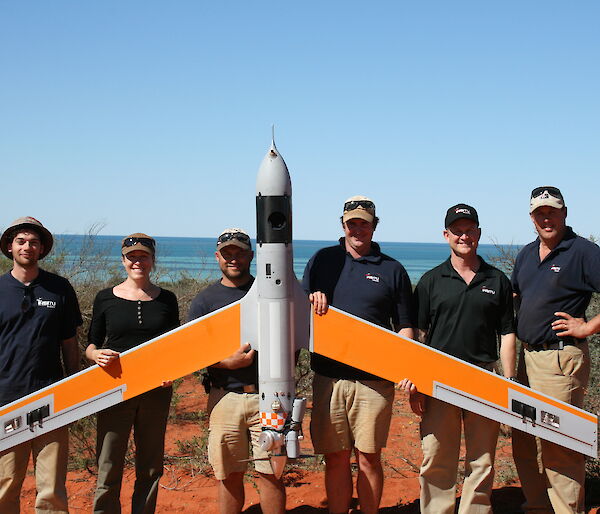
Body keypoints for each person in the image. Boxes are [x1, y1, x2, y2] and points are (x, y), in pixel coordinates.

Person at [302, 196, 414, 514]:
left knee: (369, 457)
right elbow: (299, 309)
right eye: (352, 223)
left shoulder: (393, 270)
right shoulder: (322, 260)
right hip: (329, 379)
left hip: (374, 382)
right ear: (343, 225)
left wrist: (405, 369)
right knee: (336, 457)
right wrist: (312, 298)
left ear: (374, 226)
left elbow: (406, 326)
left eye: (364, 223)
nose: (358, 229)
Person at [402, 204, 516, 514]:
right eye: (457, 230)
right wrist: (417, 380)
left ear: (478, 233)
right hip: (439, 380)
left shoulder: (497, 280)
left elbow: (507, 333)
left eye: (469, 230)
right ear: (446, 235)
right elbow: (420, 334)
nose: (463, 236)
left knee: (482, 460)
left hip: (484, 377)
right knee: (437, 456)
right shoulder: (430, 281)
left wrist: (507, 380)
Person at [511, 187, 600, 514]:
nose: (546, 218)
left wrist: (588, 327)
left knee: (558, 443)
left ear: (565, 213)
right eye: (540, 213)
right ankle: (537, 507)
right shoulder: (526, 253)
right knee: (522, 438)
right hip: (526, 358)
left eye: (552, 212)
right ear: (532, 218)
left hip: (561, 359)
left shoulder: (584, 252)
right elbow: (515, 295)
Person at [187, 228, 285, 514]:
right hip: (224, 399)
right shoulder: (205, 301)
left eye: (239, 253)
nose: (233, 258)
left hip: (269, 399)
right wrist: (225, 363)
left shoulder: (268, 293)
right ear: (217, 256)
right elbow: (191, 351)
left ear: (251, 256)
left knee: (271, 473)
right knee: (228, 475)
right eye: (227, 253)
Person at [86, 233, 179, 514]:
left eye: (143, 256)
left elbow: (173, 346)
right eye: (132, 257)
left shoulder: (167, 299)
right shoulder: (105, 298)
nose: (137, 261)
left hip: (155, 392)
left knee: (150, 467)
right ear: (123, 260)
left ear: (152, 261)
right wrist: (94, 355)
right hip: (114, 390)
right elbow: (91, 344)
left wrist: (172, 372)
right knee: (109, 464)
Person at [0, 216, 82, 514]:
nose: (27, 246)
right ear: (10, 247)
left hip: (52, 398)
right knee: (6, 482)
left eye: (34, 242)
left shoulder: (58, 288)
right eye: (21, 241)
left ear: (42, 249)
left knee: (51, 487)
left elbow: (69, 342)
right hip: (6, 400)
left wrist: (73, 386)